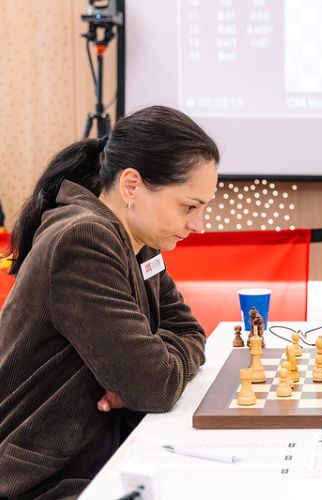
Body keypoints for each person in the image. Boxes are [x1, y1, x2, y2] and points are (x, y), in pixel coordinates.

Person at [0, 105, 220, 498]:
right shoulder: (83, 239)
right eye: (189, 206)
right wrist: (148, 374)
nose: (198, 225)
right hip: (45, 481)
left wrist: (153, 366)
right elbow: (156, 386)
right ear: (131, 185)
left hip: (105, 457)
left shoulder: (141, 242)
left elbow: (188, 331)